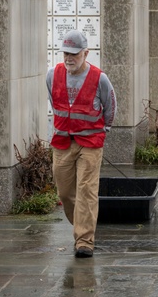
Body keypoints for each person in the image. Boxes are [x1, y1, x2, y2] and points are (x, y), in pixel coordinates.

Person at [47, 29, 117, 258]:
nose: (69, 58)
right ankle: (82, 225)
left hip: (90, 142)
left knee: (86, 190)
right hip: (62, 142)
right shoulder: (52, 74)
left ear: (86, 53)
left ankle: (84, 241)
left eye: (74, 54)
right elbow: (54, 101)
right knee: (65, 193)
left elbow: (110, 106)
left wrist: (103, 130)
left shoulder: (100, 78)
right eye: (66, 53)